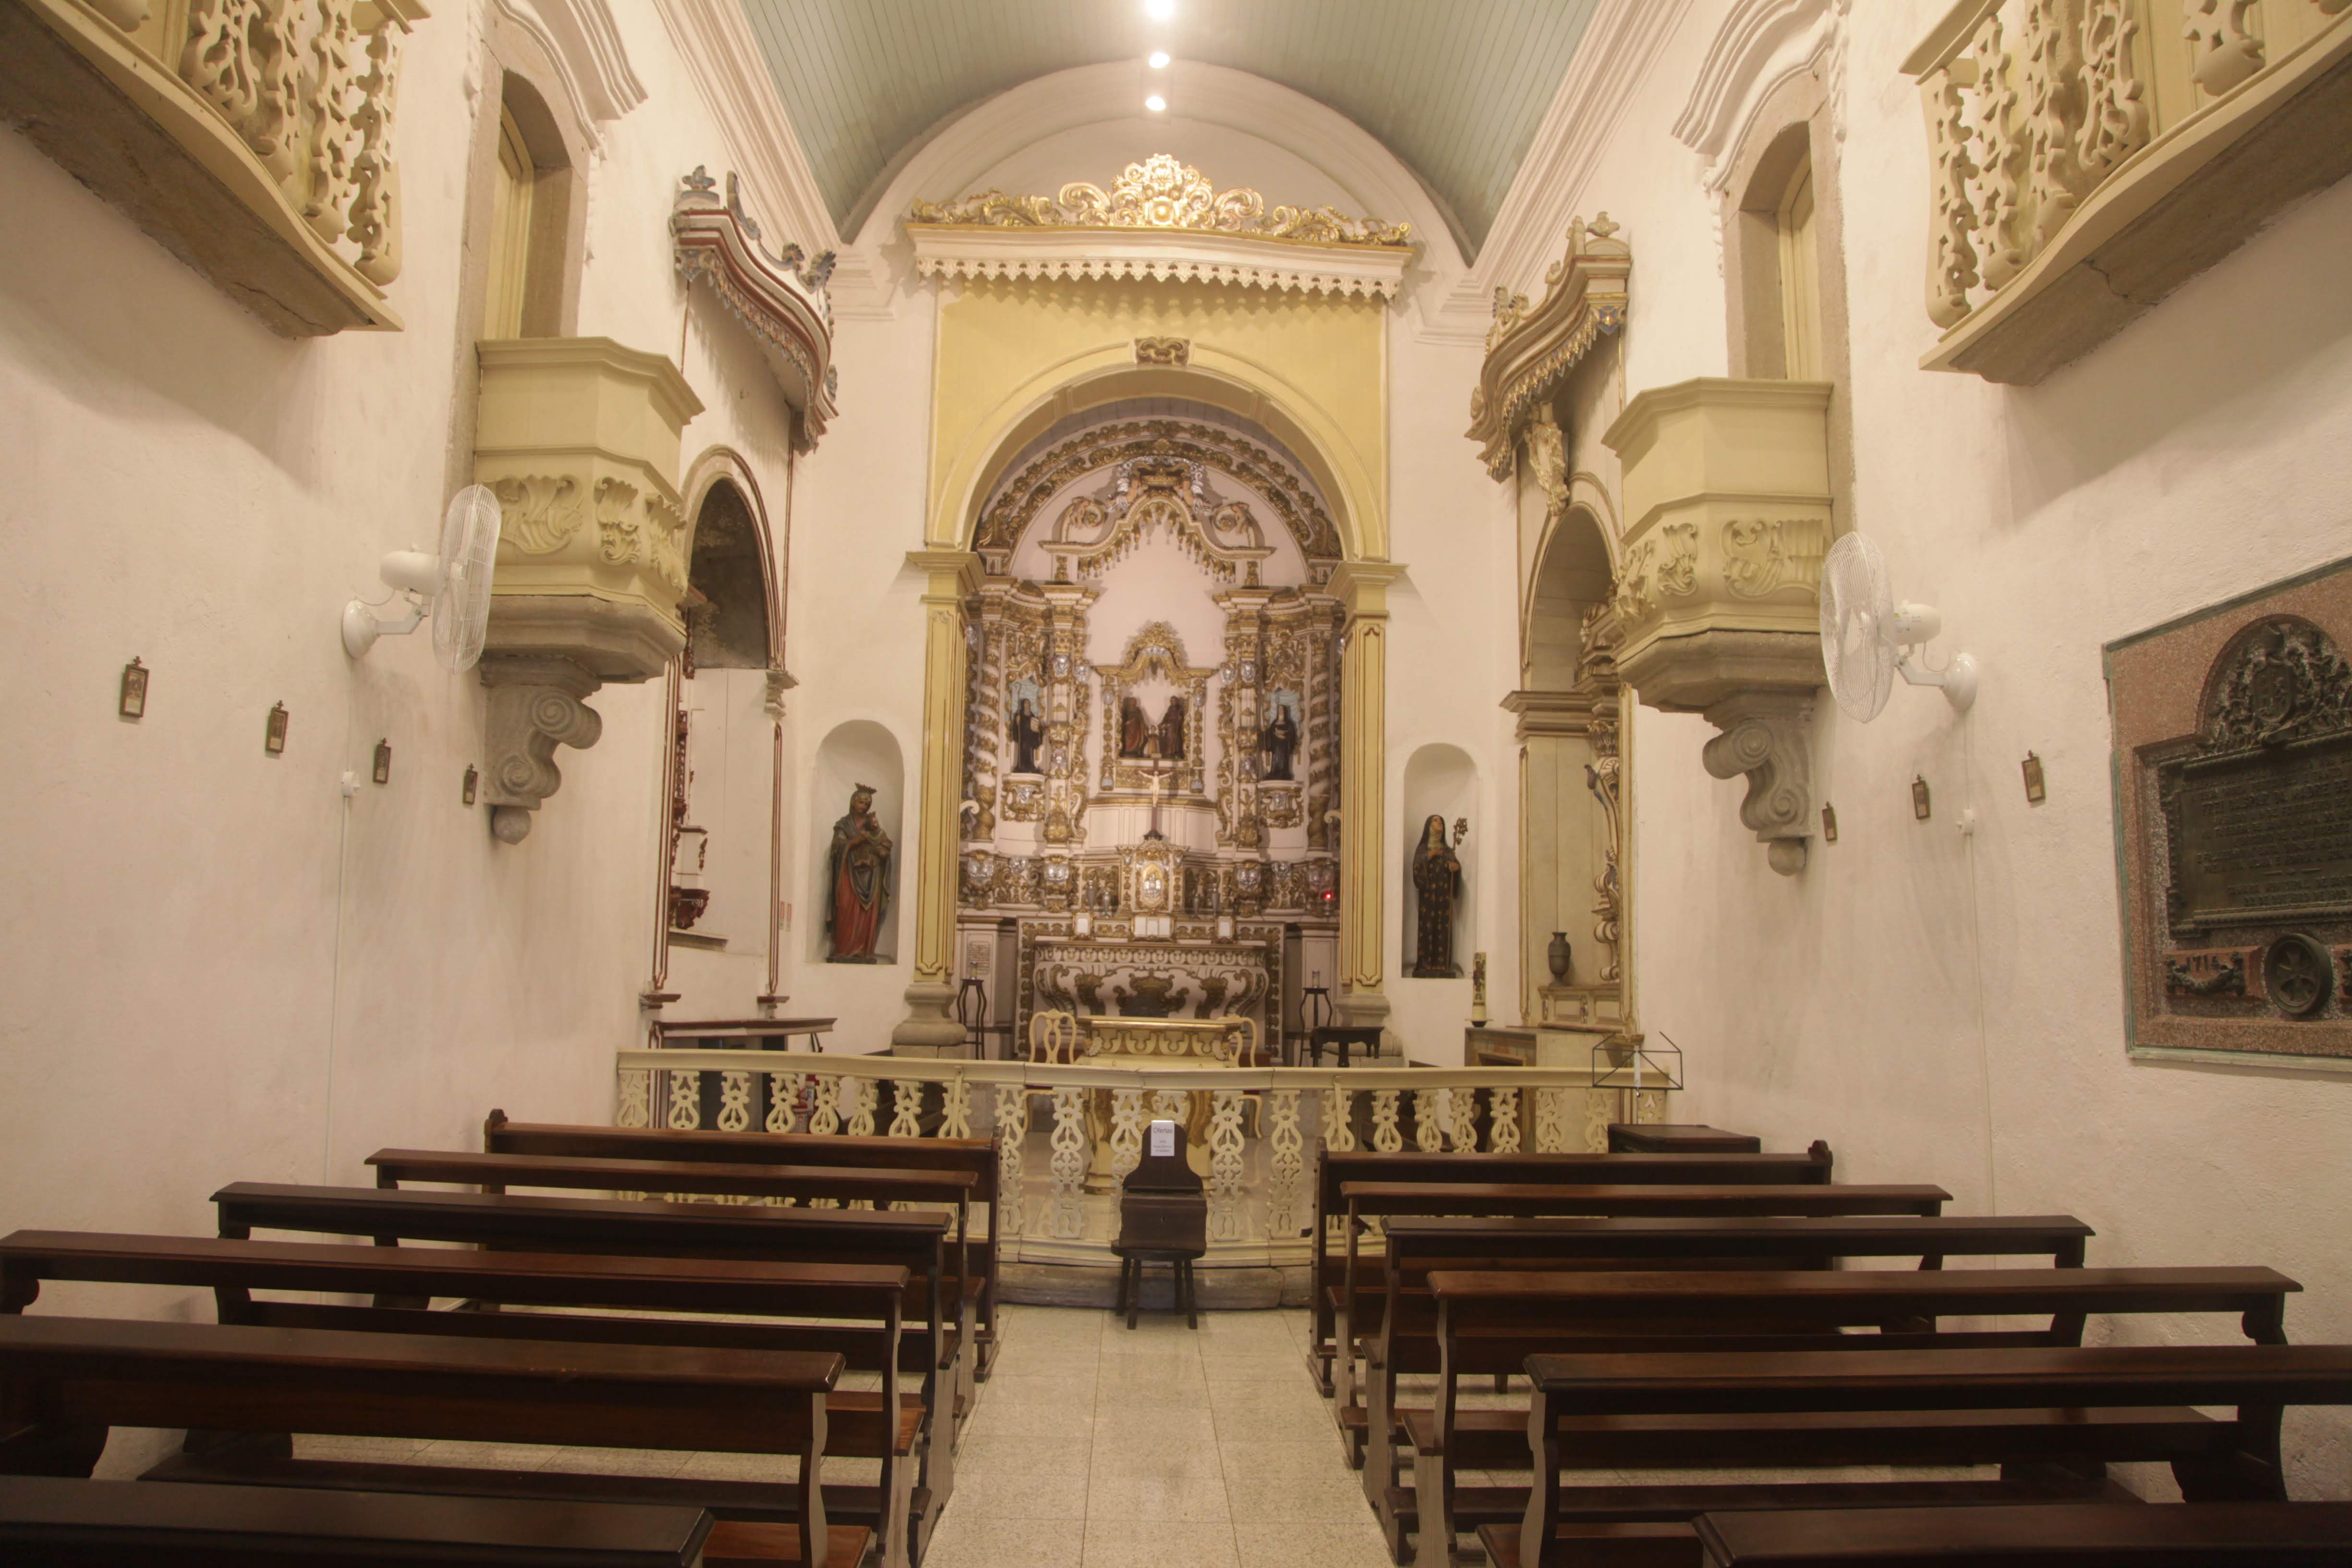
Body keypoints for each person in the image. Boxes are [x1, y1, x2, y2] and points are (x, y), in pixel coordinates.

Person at [826, 784, 892, 962]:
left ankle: (864, 950)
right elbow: (838, 847)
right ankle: (843, 949)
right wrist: (856, 841)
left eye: (868, 803)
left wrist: (879, 854)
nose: (864, 805)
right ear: (853, 802)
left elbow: (885, 847)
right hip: (848, 873)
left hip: (871, 877)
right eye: (861, 801)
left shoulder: (874, 827)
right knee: (846, 907)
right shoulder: (843, 825)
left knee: (867, 913)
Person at [1410, 813, 1461, 978]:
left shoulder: (1447, 850)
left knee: (1443, 928)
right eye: (1436, 821)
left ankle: (1442, 964)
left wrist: (1456, 868)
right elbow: (1417, 866)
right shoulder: (1423, 849)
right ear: (1429, 826)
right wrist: (1430, 856)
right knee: (1427, 927)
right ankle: (1424, 964)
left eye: (1441, 822)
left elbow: (1455, 868)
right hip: (1428, 898)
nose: (1440, 824)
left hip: (1443, 897)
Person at [1258, 699, 1298, 781]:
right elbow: (1271, 733)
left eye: (1282, 709)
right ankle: (1274, 771)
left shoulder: (1289, 724)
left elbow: (1292, 735)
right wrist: (1266, 732)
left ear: (1285, 711)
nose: (1281, 711)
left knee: (1284, 760)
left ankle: (1284, 772)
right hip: (1276, 746)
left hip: (1284, 746)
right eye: (1279, 709)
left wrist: (1284, 737)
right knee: (1275, 759)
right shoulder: (1274, 723)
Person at [1008, 697, 1044, 774]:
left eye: (1029, 703)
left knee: (1030, 752)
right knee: (1023, 750)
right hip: (1023, 737)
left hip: (1030, 738)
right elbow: (1016, 728)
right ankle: (1022, 766)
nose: (1028, 705)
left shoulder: (1032, 715)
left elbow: (1036, 727)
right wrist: (1017, 723)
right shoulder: (1019, 715)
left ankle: (1031, 765)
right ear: (1023, 705)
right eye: (1026, 703)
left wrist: (1038, 729)